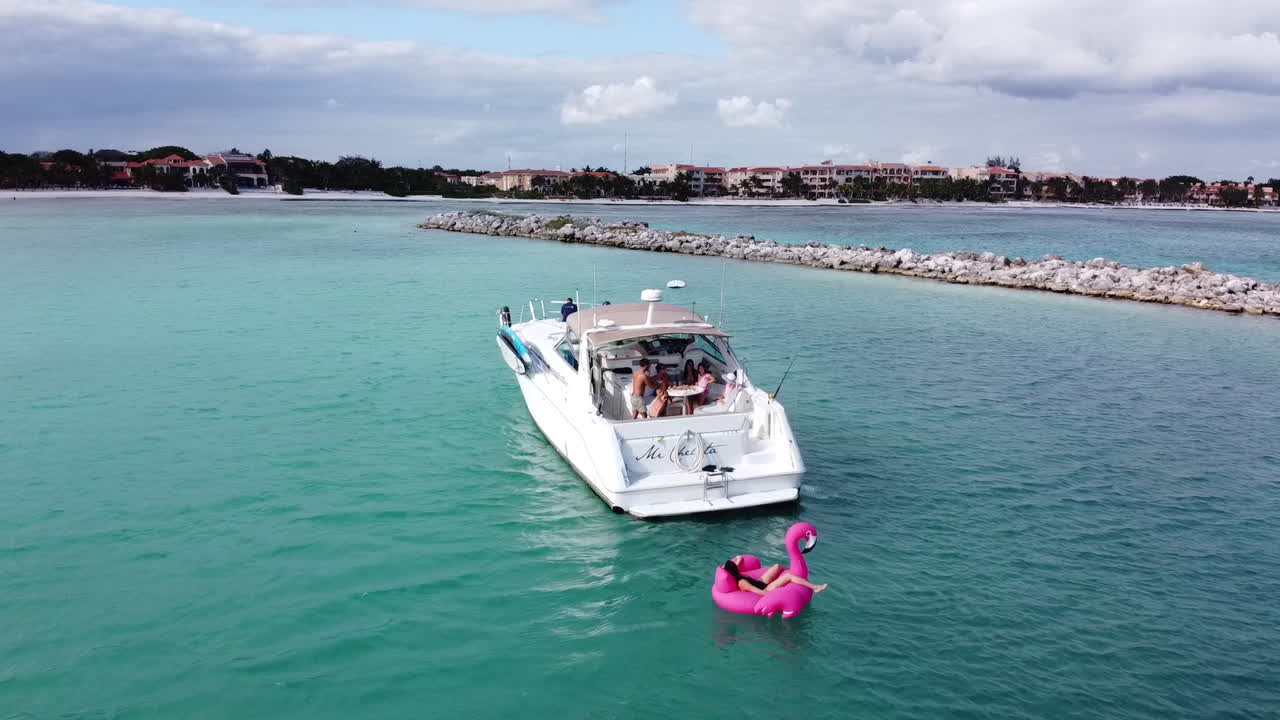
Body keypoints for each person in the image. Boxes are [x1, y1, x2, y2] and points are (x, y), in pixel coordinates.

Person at [723, 557, 828, 596]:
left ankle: (795, 571)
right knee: (788, 577)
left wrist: (738, 560)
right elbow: (761, 593)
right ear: (733, 571)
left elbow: (739, 557)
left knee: (777, 566)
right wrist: (776, 593)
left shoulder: (735, 573)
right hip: (765, 588)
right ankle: (815, 587)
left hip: (760, 582)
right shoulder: (742, 582)